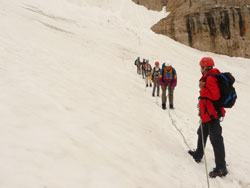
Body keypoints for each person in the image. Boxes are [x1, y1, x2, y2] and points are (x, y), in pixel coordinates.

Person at [188, 57, 228, 178]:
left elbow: (215, 96)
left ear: (204, 67)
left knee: (216, 140)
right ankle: (198, 154)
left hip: (212, 115)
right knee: (202, 133)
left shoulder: (210, 78)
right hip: (207, 114)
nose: (200, 68)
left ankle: (221, 168)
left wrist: (203, 89)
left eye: (201, 66)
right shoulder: (210, 76)